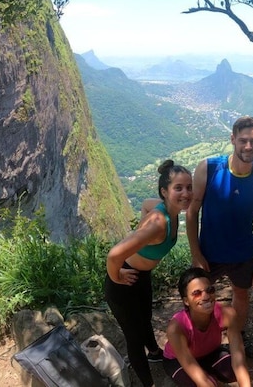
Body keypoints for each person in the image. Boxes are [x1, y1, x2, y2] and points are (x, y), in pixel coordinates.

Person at [186, 115, 253, 358]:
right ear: (233, 139)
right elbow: (192, 212)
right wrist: (196, 254)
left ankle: (237, 335)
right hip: (209, 253)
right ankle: (201, 339)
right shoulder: (210, 168)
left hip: (243, 254)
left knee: (241, 294)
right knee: (199, 296)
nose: (248, 147)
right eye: (243, 140)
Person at [105, 160, 193, 387]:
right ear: (165, 192)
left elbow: (145, 204)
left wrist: (140, 234)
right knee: (133, 338)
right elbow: (114, 255)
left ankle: (154, 352)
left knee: (144, 318)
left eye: (188, 187)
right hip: (122, 283)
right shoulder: (157, 224)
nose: (186, 193)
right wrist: (117, 277)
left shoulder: (166, 210)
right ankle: (148, 384)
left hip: (141, 276)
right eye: (178, 188)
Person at [162, 267, 252, 387]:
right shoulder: (176, 328)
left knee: (233, 373)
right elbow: (202, 381)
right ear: (186, 301)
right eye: (196, 293)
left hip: (209, 353)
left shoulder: (228, 314)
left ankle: (208, 372)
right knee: (207, 383)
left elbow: (239, 359)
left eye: (209, 290)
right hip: (178, 361)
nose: (205, 296)